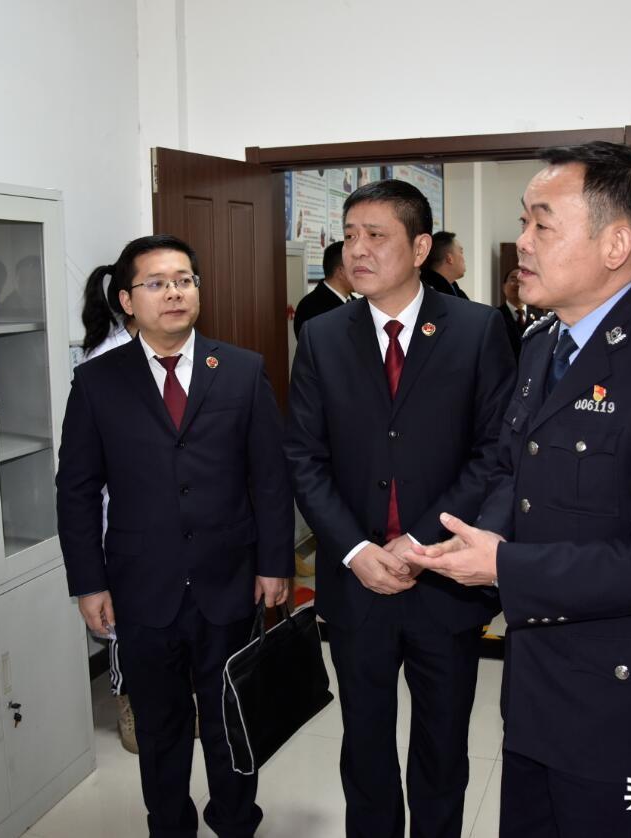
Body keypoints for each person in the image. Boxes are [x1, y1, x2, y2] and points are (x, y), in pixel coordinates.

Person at [408, 143, 631, 837]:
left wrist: (506, 567)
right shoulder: (543, 344)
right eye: (523, 223)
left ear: (615, 244)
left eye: (542, 224)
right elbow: (513, 469)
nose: (523, 243)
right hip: (534, 683)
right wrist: (480, 538)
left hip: (617, 702)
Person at [285, 180, 514, 838]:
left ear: (419, 248)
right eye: (349, 236)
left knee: (442, 749)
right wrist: (356, 550)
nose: (356, 249)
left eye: (375, 236)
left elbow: (494, 453)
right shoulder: (323, 336)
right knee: (365, 748)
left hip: (442, 581)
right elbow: (303, 457)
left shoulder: (475, 329)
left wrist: (416, 542)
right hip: (357, 583)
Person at [57, 234, 292, 838]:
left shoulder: (240, 370)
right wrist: (88, 583)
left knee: (230, 718)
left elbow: (269, 476)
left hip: (229, 579)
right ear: (126, 301)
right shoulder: (97, 381)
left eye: (184, 280)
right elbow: (76, 490)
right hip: (141, 587)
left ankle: (236, 821)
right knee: (160, 729)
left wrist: (274, 562)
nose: (174, 293)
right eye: (157, 283)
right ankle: (169, 826)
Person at [76, 248, 140, 751]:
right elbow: (81, 477)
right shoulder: (104, 362)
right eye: (156, 285)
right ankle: (128, 707)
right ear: (128, 299)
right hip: (114, 514)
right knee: (123, 624)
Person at [292, 240, 353, 338]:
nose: (362, 273)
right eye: (356, 268)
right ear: (341, 272)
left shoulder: (357, 303)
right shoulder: (310, 308)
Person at [496, 266, 538, 359]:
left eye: (522, 280)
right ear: (504, 287)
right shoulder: (495, 316)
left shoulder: (541, 318)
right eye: (513, 279)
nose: (518, 284)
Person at [420, 230, 470, 299]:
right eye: (461, 252)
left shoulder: (455, 291)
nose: (464, 259)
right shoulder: (429, 294)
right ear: (450, 258)